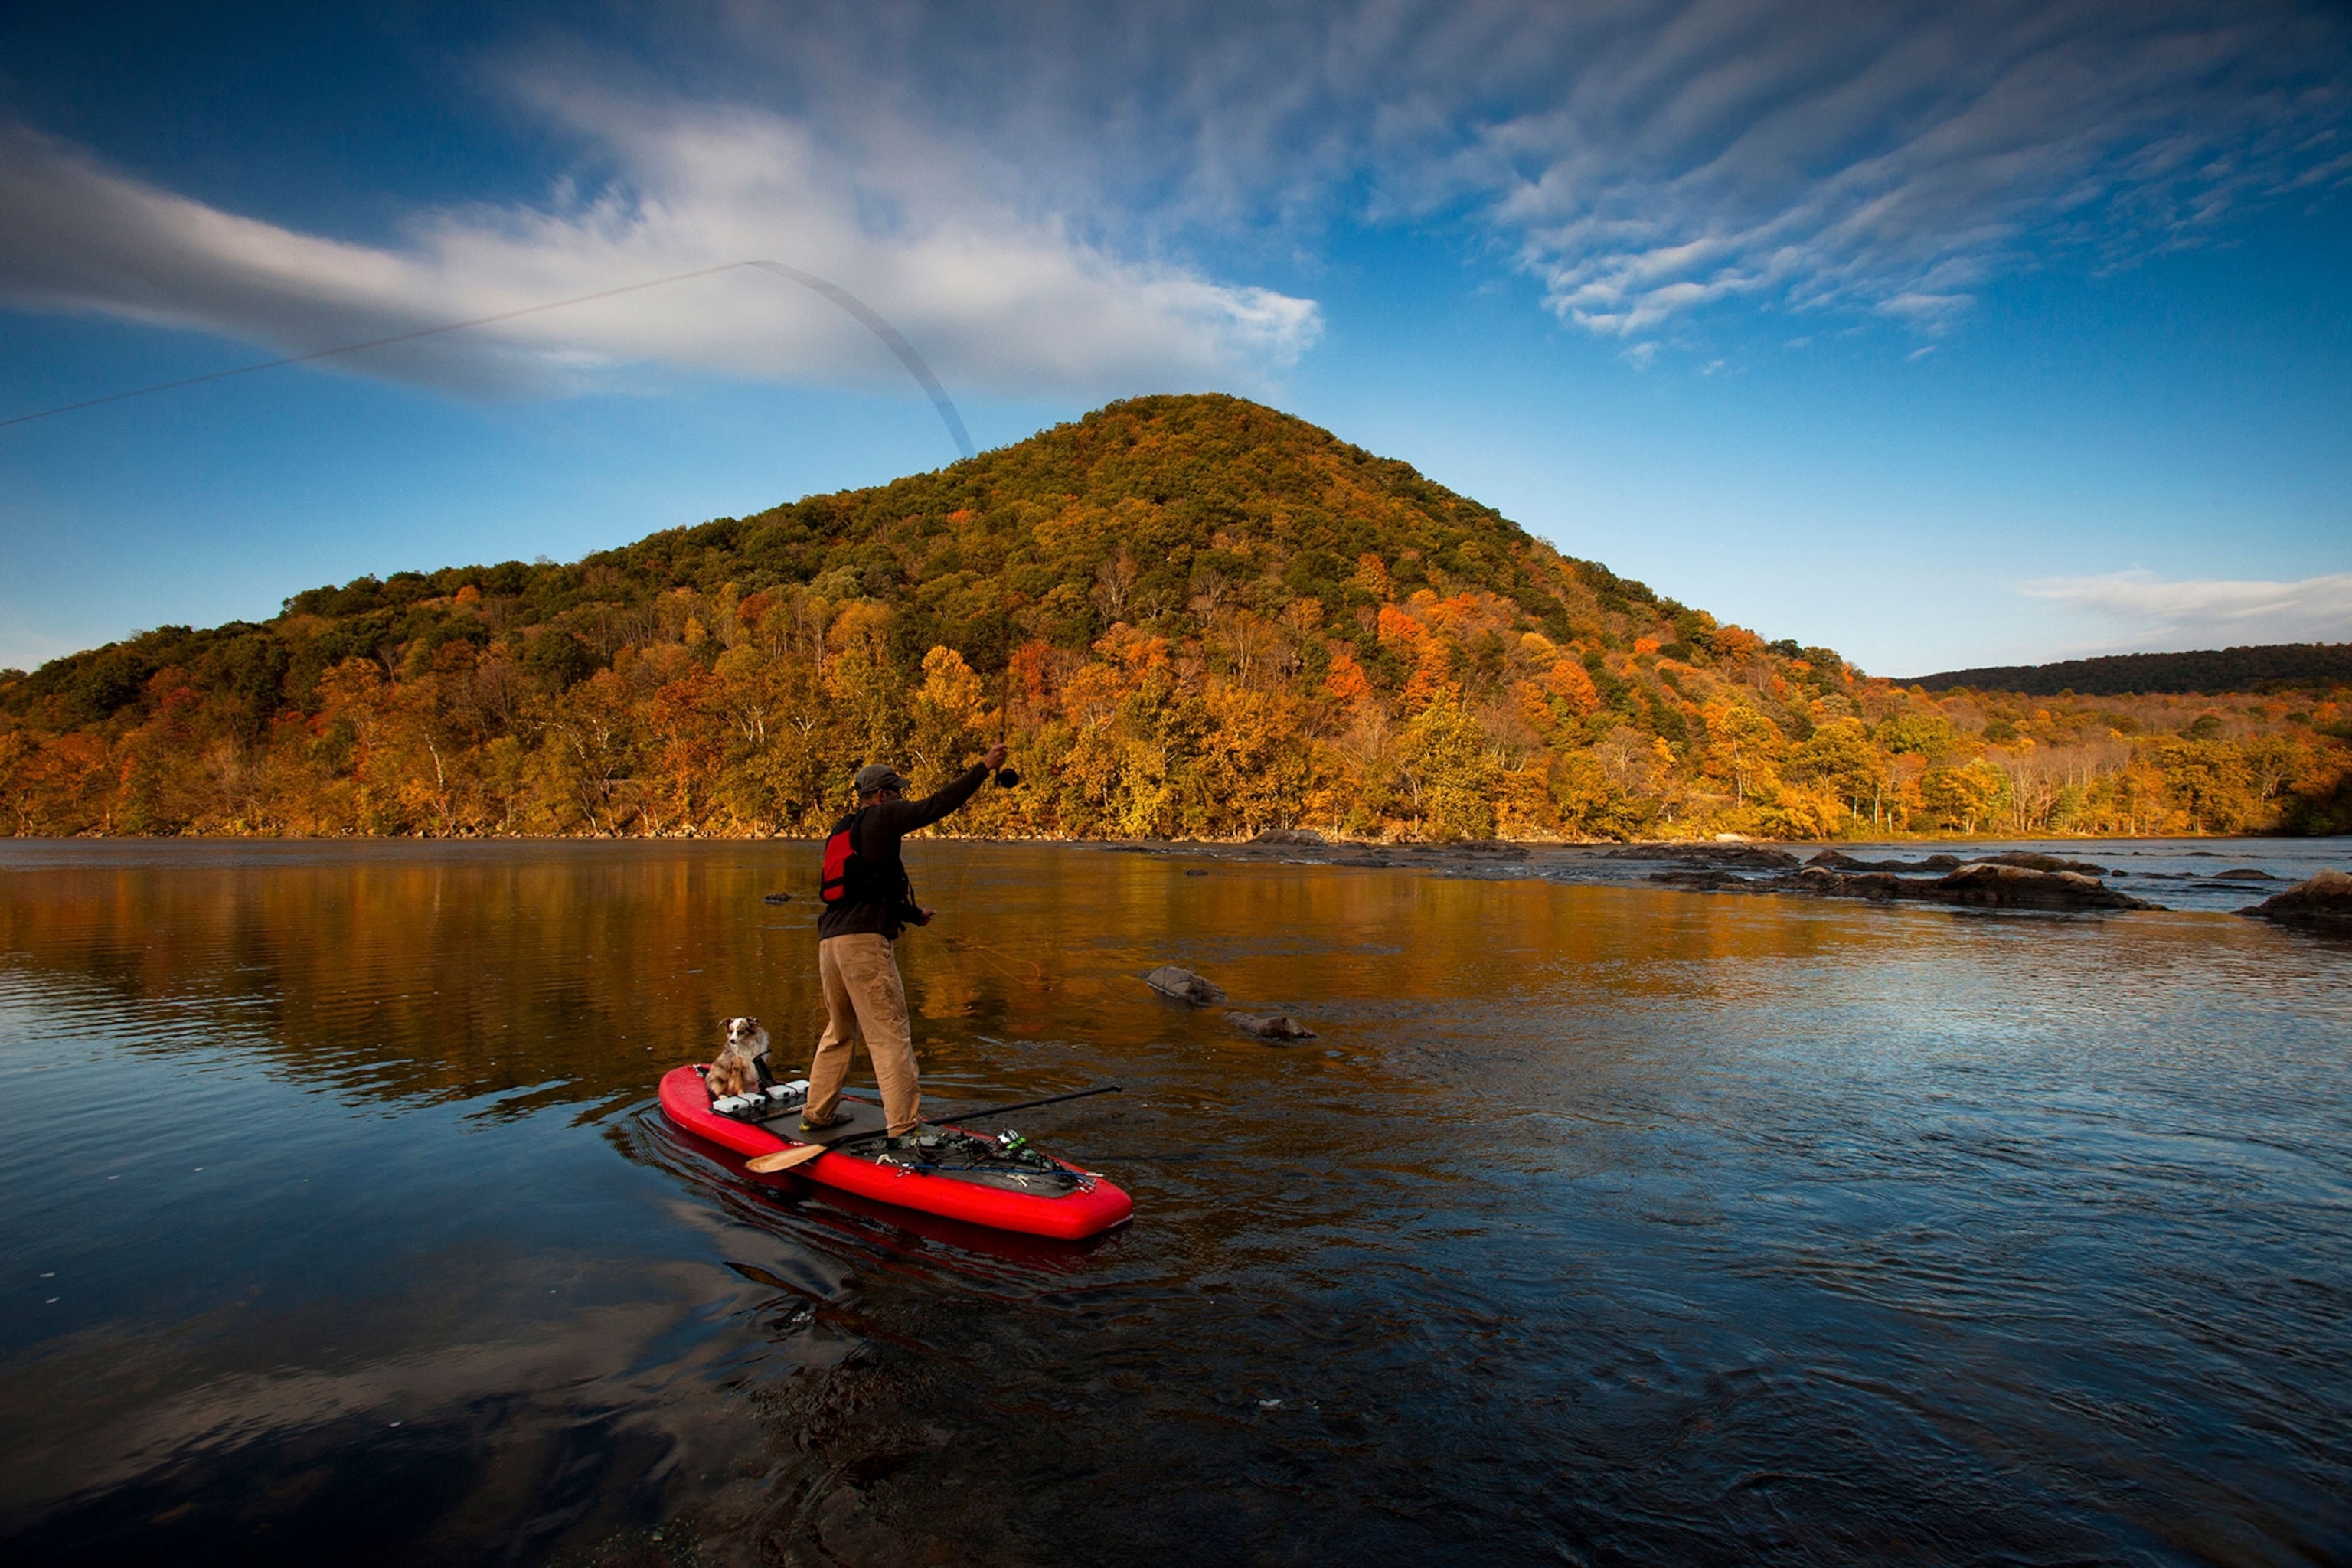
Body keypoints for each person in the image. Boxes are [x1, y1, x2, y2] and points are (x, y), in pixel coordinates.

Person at [801, 746, 1007, 1139]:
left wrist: (912, 914)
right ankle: (905, 1130)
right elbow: (936, 805)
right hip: (863, 946)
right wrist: (983, 768)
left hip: (830, 944)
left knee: (839, 1031)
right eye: (897, 792)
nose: (902, 798)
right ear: (881, 795)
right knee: (890, 1035)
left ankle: (816, 1114)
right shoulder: (885, 816)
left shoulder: (843, 829)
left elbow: (859, 888)